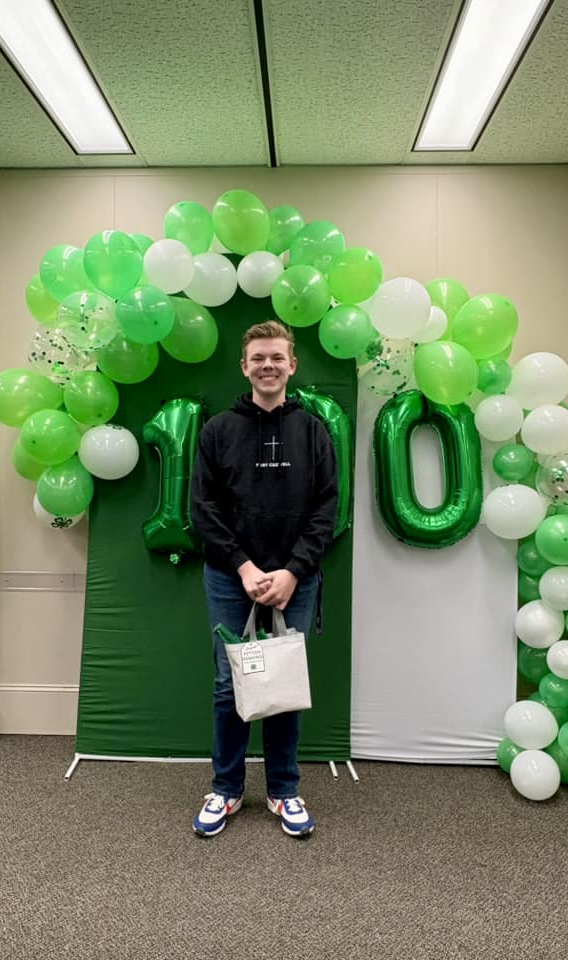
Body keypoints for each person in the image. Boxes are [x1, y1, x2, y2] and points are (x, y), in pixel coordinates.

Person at [190, 320, 338, 838]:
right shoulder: (218, 431)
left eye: (277, 357)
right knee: (228, 683)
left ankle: (284, 791)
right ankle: (226, 790)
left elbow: (327, 508)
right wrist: (246, 567)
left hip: (296, 580)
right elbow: (202, 509)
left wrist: (294, 571)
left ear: (292, 365)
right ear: (244, 366)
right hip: (231, 577)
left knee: (284, 685)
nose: (268, 365)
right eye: (259, 358)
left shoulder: (313, 430)